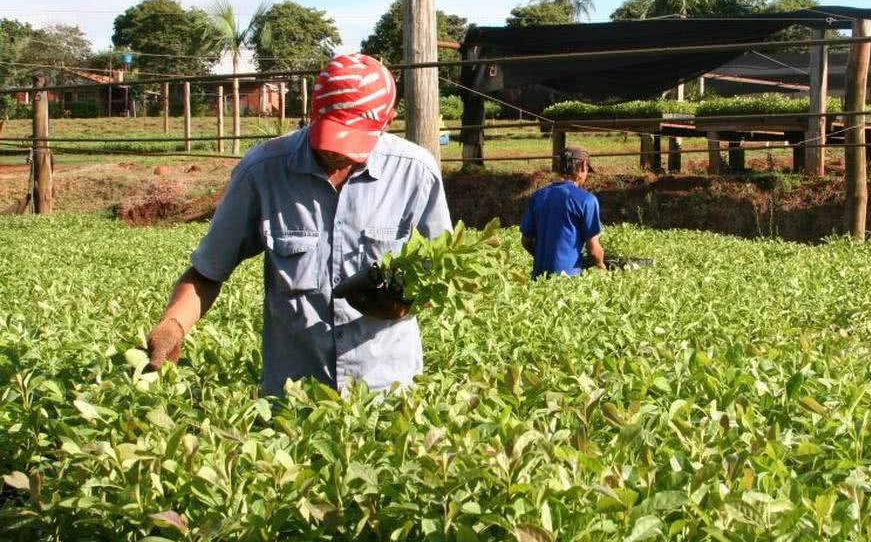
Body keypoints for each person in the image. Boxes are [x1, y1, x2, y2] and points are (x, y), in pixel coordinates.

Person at [144, 53, 452, 396]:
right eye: (332, 137)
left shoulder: (415, 173)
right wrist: (173, 325)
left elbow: (440, 274)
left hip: (387, 391)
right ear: (312, 112)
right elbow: (207, 272)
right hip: (294, 394)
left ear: (387, 120)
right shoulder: (264, 171)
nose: (338, 154)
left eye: (353, 143)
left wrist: (405, 302)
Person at [520, 146, 604, 278]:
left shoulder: (538, 196)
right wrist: (601, 267)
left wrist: (547, 258)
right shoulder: (586, 200)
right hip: (569, 281)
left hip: (538, 279)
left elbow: (526, 241)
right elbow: (593, 250)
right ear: (583, 166)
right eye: (587, 169)